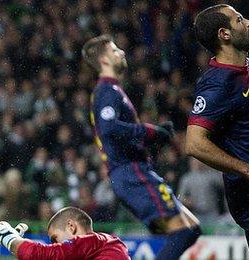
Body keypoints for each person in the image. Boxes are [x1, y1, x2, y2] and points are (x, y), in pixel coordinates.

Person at [82, 34, 201, 259]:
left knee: (192, 229)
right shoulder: (107, 91)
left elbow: (117, 133)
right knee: (183, 232)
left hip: (132, 173)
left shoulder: (112, 91)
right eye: (115, 50)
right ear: (104, 61)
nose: (121, 52)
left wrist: (152, 138)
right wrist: (150, 131)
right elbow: (109, 129)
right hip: (131, 174)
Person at [186, 4, 249, 246]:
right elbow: (194, 143)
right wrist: (245, 169)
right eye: (240, 20)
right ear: (225, 35)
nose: (248, 23)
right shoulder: (217, 85)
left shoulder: (244, 65)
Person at [0, 206, 129, 259]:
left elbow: (42, 254)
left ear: (71, 226)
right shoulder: (105, 246)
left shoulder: (94, 241)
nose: (54, 244)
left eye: (54, 239)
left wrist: (8, 238)